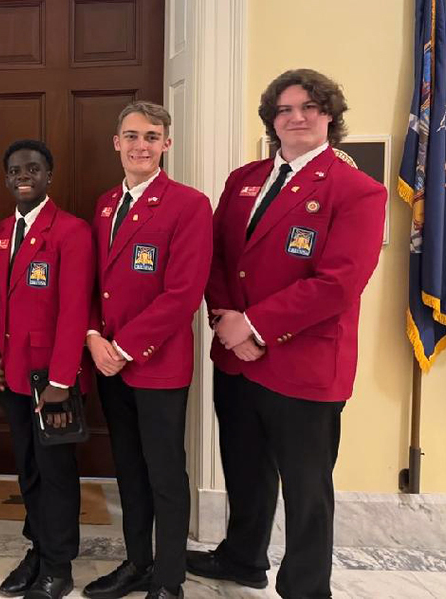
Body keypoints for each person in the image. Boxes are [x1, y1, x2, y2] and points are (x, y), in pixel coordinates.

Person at [189, 69, 386, 599]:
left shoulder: (358, 190)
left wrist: (254, 326)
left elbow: (338, 284)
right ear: (271, 120)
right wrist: (227, 319)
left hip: (304, 364)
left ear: (329, 116)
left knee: (306, 488)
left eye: (308, 108)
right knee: (245, 470)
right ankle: (242, 557)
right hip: (235, 356)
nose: (295, 117)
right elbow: (218, 258)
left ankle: (304, 586)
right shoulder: (243, 179)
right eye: (284, 109)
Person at [82, 102, 212, 599]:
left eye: (151, 137)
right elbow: (94, 283)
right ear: (116, 142)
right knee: (129, 471)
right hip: (108, 364)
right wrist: (94, 337)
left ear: (166, 145)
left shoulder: (188, 204)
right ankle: (136, 564)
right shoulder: (104, 204)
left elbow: (183, 294)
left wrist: (123, 346)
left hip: (156, 365)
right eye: (132, 136)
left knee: (164, 475)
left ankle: (169, 579)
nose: (141, 146)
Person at [0, 139, 93, 599]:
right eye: (14, 170)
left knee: (56, 472)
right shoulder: (4, 229)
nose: (22, 176)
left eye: (32, 168)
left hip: (51, 379)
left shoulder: (71, 231)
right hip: (12, 374)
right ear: (6, 178)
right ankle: (39, 549)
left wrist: (62, 380)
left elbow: (74, 311)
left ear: (49, 176)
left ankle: (59, 566)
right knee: (27, 468)